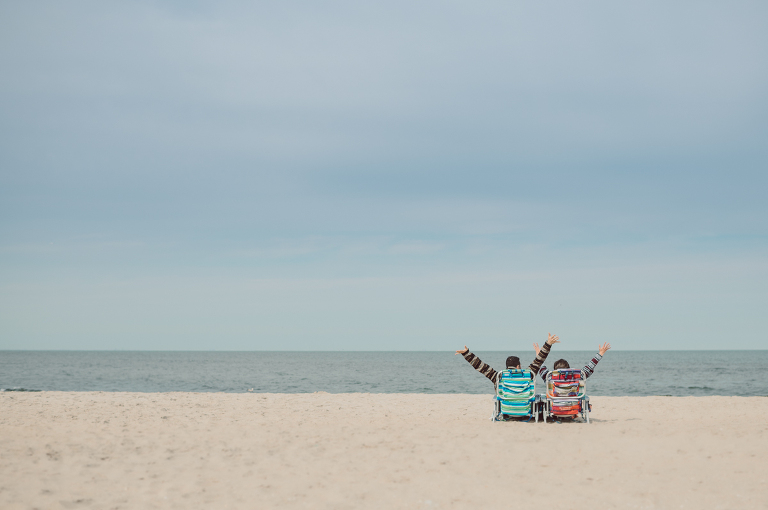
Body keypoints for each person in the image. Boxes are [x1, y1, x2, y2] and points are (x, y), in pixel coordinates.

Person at [455, 333, 560, 389]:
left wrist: (467, 354)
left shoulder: (499, 377)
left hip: (506, 409)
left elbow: (480, 366)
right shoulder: (528, 375)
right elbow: (539, 360)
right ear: (518, 366)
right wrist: (548, 344)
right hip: (524, 408)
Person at [532, 341, 611, 381]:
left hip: (555, 407)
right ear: (569, 369)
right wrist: (601, 353)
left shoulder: (549, 377)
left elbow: (540, 365)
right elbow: (590, 366)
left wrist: (539, 353)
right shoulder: (577, 376)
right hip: (573, 408)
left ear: (555, 370)